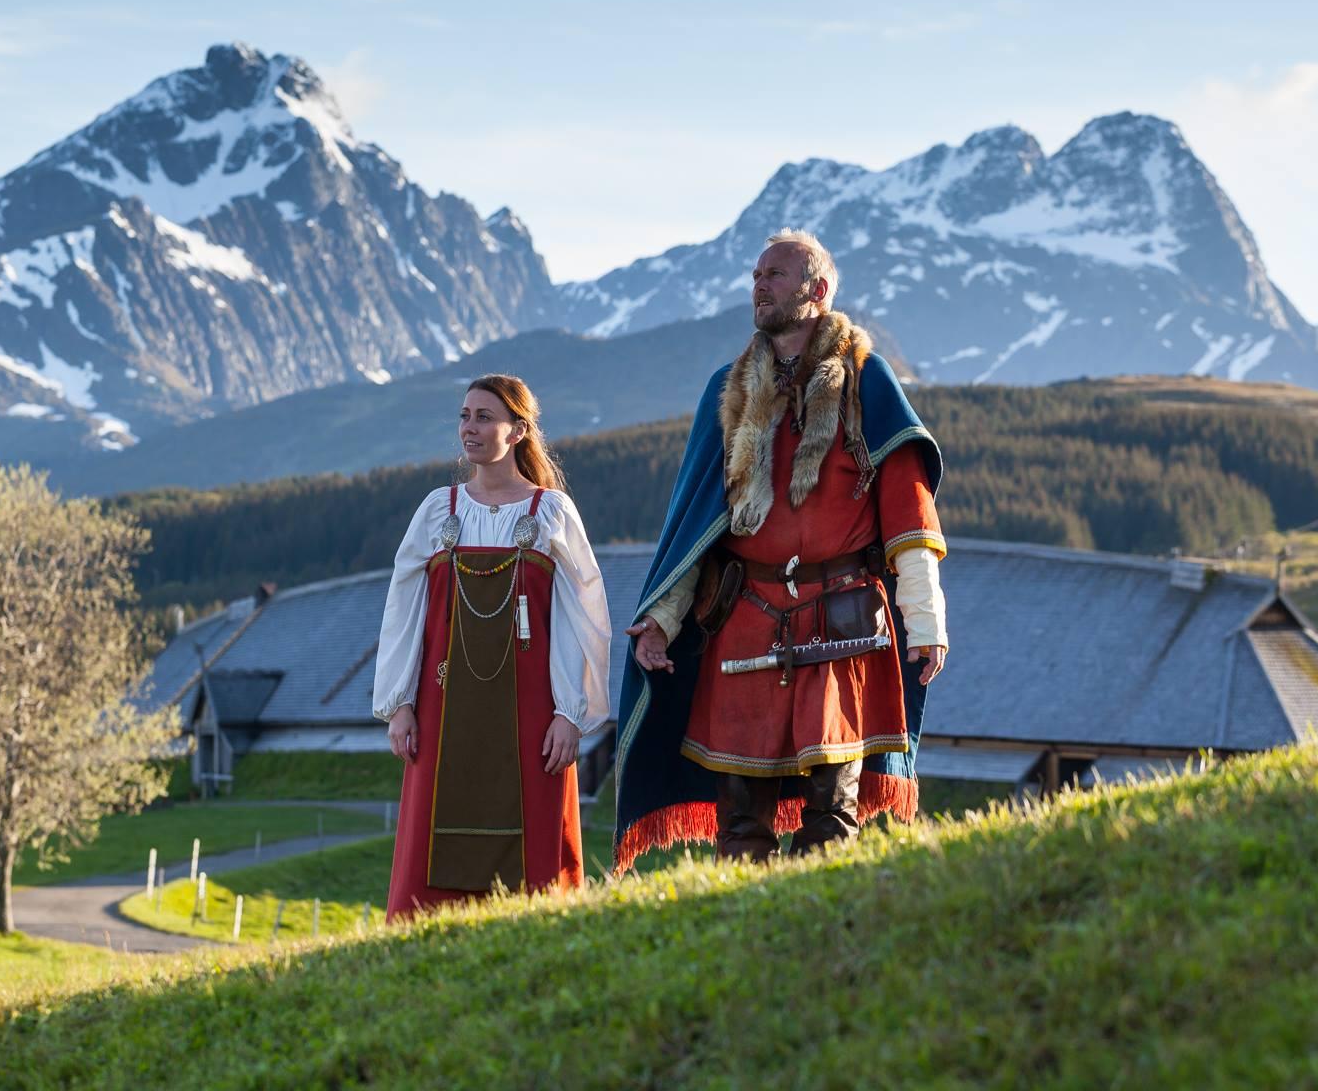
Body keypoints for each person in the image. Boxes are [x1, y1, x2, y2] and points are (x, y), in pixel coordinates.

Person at [613, 230, 948, 868]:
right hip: (744, 615)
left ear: (816, 291)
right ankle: (740, 927)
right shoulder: (730, 388)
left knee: (831, 805)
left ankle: (821, 927)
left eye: (776, 274)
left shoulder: (863, 379)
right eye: (757, 274)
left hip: (842, 617)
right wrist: (661, 619)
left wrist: (925, 620)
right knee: (741, 808)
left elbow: (909, 510)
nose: (759, 285)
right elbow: (699, 519)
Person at [374, 373, 613, 920]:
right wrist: (400, 703)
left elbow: (585, 618)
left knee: (534, 855)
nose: (470, 428)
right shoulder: (439, 511)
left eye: (485, 417)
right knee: (432, 837)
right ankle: (423, 937)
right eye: (464, 416)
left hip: (531, 711)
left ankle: (535, 933)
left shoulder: (550, 512)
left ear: (519, 430)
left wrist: (570, 714)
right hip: (442, 707)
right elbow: (403, 610)